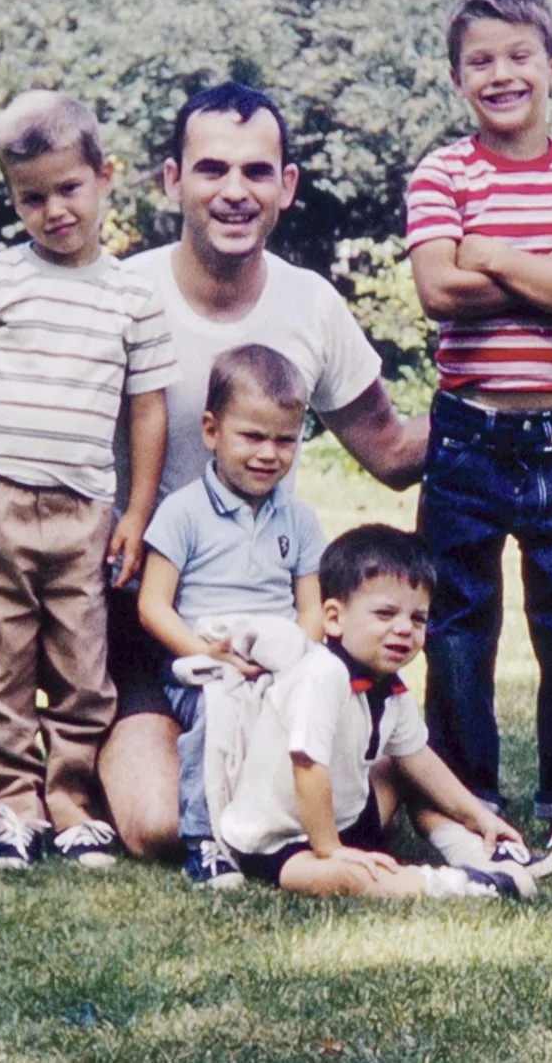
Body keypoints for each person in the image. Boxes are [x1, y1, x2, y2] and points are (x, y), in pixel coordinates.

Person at [0, 81, 428, 859]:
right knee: (152, 827)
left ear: (287, 187)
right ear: (172, 180)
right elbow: (1, 394)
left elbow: (389, 452)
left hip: (262, 622)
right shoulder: (111, 290)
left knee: (342, 802)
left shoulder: (312, 306)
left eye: (257, 172)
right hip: (133, 609)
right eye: (212, 169)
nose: (234, 192)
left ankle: (387, 756)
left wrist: (498, 388)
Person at [404, 0, 552, 858]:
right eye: (480, 62)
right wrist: (550, 265)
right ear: (460, 79)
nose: (501, 75)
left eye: (518, 56)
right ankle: (466, 807)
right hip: (466, 438)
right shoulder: (441, 172)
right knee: (457, 627)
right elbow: (437, 291)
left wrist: (489, 254)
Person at [0, 90, 180, 871]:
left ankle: (70, 796)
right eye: (30, 197)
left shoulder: (133, 299)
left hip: (85, 508)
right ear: (12, 198)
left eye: (68, 189)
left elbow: (147, 413)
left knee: (84, 664)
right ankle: (13, 802)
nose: (53, 211)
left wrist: (135, 512)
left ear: (104, 177)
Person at [219, 524, 541, 899]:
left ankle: (480, 853)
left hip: (348, 819)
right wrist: (330, 850)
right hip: (280, 840)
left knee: (406, 771)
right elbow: (306, 765)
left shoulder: (389, 685)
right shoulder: (321, 673)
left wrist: (479, 815)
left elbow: (418, 759)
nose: (404, 629)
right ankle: (458, 886)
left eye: (417, 619)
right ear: (334, 619)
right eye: (386, 614)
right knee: (344, 879)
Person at [137, 344, 327, 889]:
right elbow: (153, 604)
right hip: (203, 658)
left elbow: (311, 606)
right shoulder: (183, 512)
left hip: (277, 652)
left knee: (320, 699)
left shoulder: (299, 520)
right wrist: (206, 653)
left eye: (285, 440)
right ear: (211, 430)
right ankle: (205, 840)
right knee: (218, 712)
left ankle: (299, 827)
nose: (269, 454)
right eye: (253, 436)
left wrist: (291, 657)